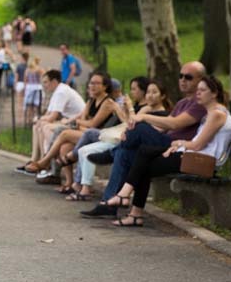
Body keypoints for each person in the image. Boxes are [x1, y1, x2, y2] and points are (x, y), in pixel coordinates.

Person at [81, 61, 208, 218]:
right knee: (125, 153)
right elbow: (163, 128)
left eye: (188, 77)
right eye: (180, 76)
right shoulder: (182, 102)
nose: (182, 80)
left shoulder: (200, 103)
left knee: (139, 128)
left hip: (175, 149)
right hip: (163, 143)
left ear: (201, 80)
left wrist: (143, 118)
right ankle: (107, 204)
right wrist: (131, 132)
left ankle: (111, 153)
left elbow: (175, 124)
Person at [108, 76, 231, 227]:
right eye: (198, 90)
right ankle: (129, 204)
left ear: (214, 93)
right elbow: (197, 143)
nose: (198, 93)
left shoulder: (217, 114)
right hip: (194, 156)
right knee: (144, 154)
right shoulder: (212, 113)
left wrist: (180, 143)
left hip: (202, 161)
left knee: (143, 164)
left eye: (202, 90)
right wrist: (177, 146)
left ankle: (128, 202)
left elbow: (197, 145)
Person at [17, 69, 85, 173]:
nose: (44, 85)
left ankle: (45, 161)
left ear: (54, 82)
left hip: (76, 123)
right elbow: (48, 114)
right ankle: (35, 159)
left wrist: (39, 119)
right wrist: (39, 119)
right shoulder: (57, 91)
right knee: (37, 125)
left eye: (46, 82)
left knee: (43, 126)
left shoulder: (61, 92)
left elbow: (52, 117)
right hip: (68, 121)